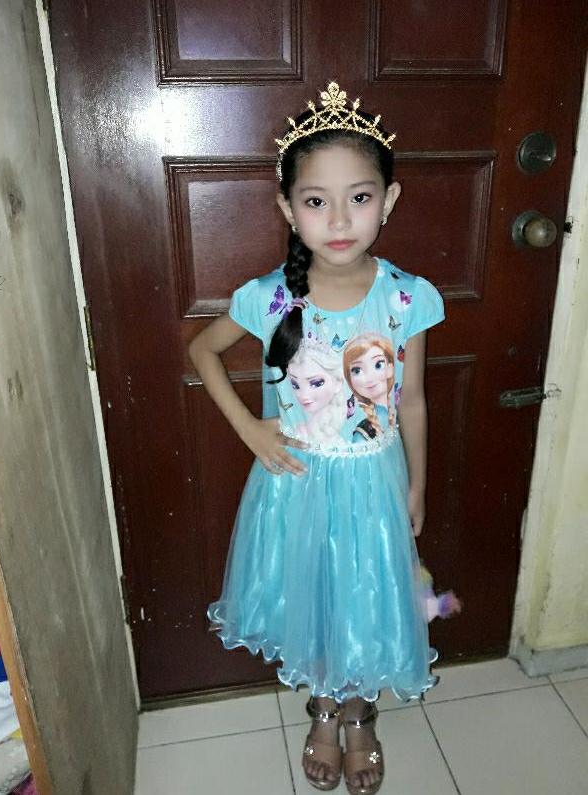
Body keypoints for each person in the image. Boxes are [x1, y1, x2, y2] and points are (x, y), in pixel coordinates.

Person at [189, 82, 445, 795]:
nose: (338, 219)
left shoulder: (405, 297)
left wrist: (417, 484)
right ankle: (326, 708)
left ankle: (359, 713)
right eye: (315, 200)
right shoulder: (271, 296)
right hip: (295, 486)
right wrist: (250, 429)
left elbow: (413, 399)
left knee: (364, 600)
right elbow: (203, 351)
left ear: (388, 201)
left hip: (374, 485)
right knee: (315, 601)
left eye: (359, 197)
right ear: (286, 208)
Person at [343, 333, 397, 442]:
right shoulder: (362, 434)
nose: (369, 377)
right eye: (357, 370)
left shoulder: (398, 412)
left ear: (390, 368)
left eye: (378, 365)